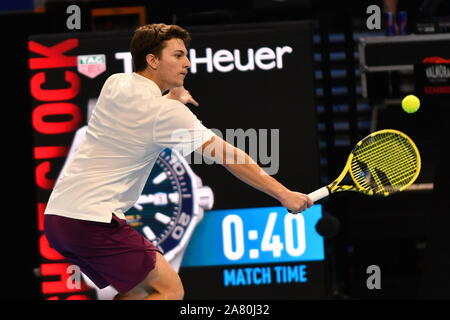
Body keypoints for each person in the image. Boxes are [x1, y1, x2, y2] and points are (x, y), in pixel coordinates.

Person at [44, 23, 313, 300]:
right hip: (92, 220)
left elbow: (144, 114)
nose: (187, 63)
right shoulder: (167, 114)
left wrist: (171, 98)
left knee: (138, 292)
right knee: (170, 291)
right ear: (152, 60)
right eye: (178, 55)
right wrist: (284, 194)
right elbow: (229, 157)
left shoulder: (115, 83)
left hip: (59, 218)